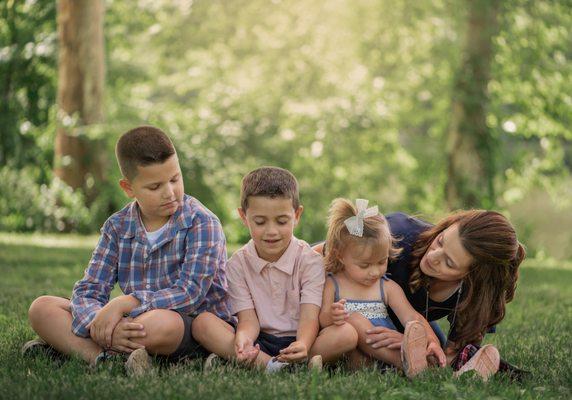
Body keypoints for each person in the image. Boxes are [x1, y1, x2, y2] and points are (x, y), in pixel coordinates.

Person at [22, 126, 234, 375]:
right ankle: (104, 359)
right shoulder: (117, 227)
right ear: (128, 188)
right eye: (155, 187)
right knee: (43, 308)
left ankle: (77, 348)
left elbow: (190, 293)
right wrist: (97, 322)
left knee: (160, 323)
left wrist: (127, 302)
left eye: (175, 179)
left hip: (189, 323)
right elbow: (90, 289)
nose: (170, 192)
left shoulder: (202, 222)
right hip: (131, 322)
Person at [315, 209, 525, 381]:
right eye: (441, 241)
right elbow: (325, 252)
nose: (433, 257)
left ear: (472, 276)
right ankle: (415, 366)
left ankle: (463, 370)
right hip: (350, 324)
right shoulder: (398, 234)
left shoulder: (479, 294)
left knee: (438, 350)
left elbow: (441, 339)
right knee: (357, 326)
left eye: (449, 263)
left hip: (401, 323)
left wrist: (423, 343)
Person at [191, 167, 358, 372]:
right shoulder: (236, 265)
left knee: (347, 334)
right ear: (244, 217)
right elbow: (248, 319)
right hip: (260, 340)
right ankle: (272, 366)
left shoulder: (310, 261)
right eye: (260, 222)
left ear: (297, 215)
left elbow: (309, 316)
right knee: (203, 323)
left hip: (305, 337)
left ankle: (285, 362)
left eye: (281, 221)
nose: (271, 231)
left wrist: (303, 344)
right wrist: (244, 339)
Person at [319, 198, 446, 377]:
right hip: (354, 355)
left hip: (387, 351)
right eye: (364, 265)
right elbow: (322, 320)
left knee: (419, 340)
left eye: (381, 262)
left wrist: (430, 340)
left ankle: (425, 363)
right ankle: (407, 365)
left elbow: (411, 316)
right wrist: (332, 316)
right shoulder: (333, 283)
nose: (374, 272)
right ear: (340, 256)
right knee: (353, 320)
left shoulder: (386, 286)